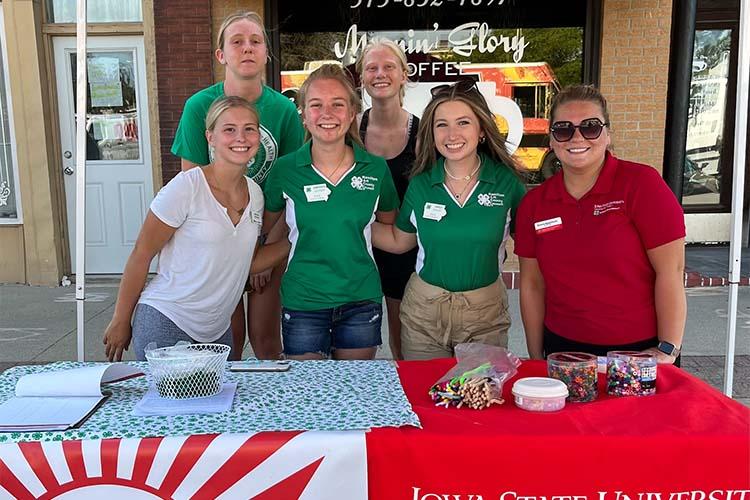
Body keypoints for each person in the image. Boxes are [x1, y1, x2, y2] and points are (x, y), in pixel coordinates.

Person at [103, 96, 290, 362]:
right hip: (167, 319)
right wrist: (121, 319)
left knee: (218, 403)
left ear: (258, 137)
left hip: (216, 332)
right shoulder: (186, 188)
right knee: (176, 403)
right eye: (229, 129)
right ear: (210, 137)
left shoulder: (255, 195)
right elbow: (141, 254)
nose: (241, 137)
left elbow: (245, 263)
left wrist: (296, 240)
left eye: (249, 129)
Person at [514, 84, 686, 364]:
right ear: (553, 140)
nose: (576, 137)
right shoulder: (535, 204)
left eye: (590, 127)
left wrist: (668, 348)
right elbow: (532, 285)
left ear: (607, 134)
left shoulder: (641, 184)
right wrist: (536, 357)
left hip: (638, 352)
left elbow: (671, 271)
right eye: (564, 129)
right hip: (564, 349)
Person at [171, 11, 304, 360]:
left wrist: (262, 253)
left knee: (266, 339)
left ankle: (270, 413)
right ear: (221, 55)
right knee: (226, 342)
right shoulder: (199, 106)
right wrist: (239, 252)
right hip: (218, 242)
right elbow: (195, 186)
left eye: (255, 41)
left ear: (266, 53)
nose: (247, 49)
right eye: (237, 42)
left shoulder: (284, 111)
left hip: (268, 232)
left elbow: (289, 186)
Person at [371, 78, 526, 360]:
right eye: (441, 124)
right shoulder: (421, 184)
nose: (452, 133)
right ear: (431, 132)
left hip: (484, 314)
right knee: (423, 396)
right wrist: (343, 220)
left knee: (478, 398)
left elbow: (532, 250)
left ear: (481, 130)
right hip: (424, 313)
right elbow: (399, 240)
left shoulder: (506, 184)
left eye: (463, 122)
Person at [263, 64, 399, 360]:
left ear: (352, 113)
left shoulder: (375, 169)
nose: (327, 114)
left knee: (353, 395)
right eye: (316, 105)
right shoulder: (285, 170)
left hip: (361, 300)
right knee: (308, 397)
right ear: (304, 114)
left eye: (337, 104)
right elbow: (263, 227)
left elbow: (387, 224)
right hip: (303, 301)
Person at [356, 39, 419, 361]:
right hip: (355, 246)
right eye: (372, 67)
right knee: (355, 342)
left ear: (404, 74)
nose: (380, 74)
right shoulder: (350, 130)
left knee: (401, 339)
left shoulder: (422, 134)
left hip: (403, 247)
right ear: (362, 77)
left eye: (388, 66)